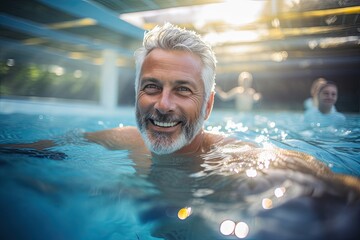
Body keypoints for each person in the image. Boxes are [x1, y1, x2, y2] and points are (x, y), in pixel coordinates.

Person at [1, 23, 359, 238]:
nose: (163, 105)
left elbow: (336, 189)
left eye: (183, 90)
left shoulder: (238, 161)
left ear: (208, 106)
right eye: (152, 87)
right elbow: (37, 149)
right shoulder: (125, 138)